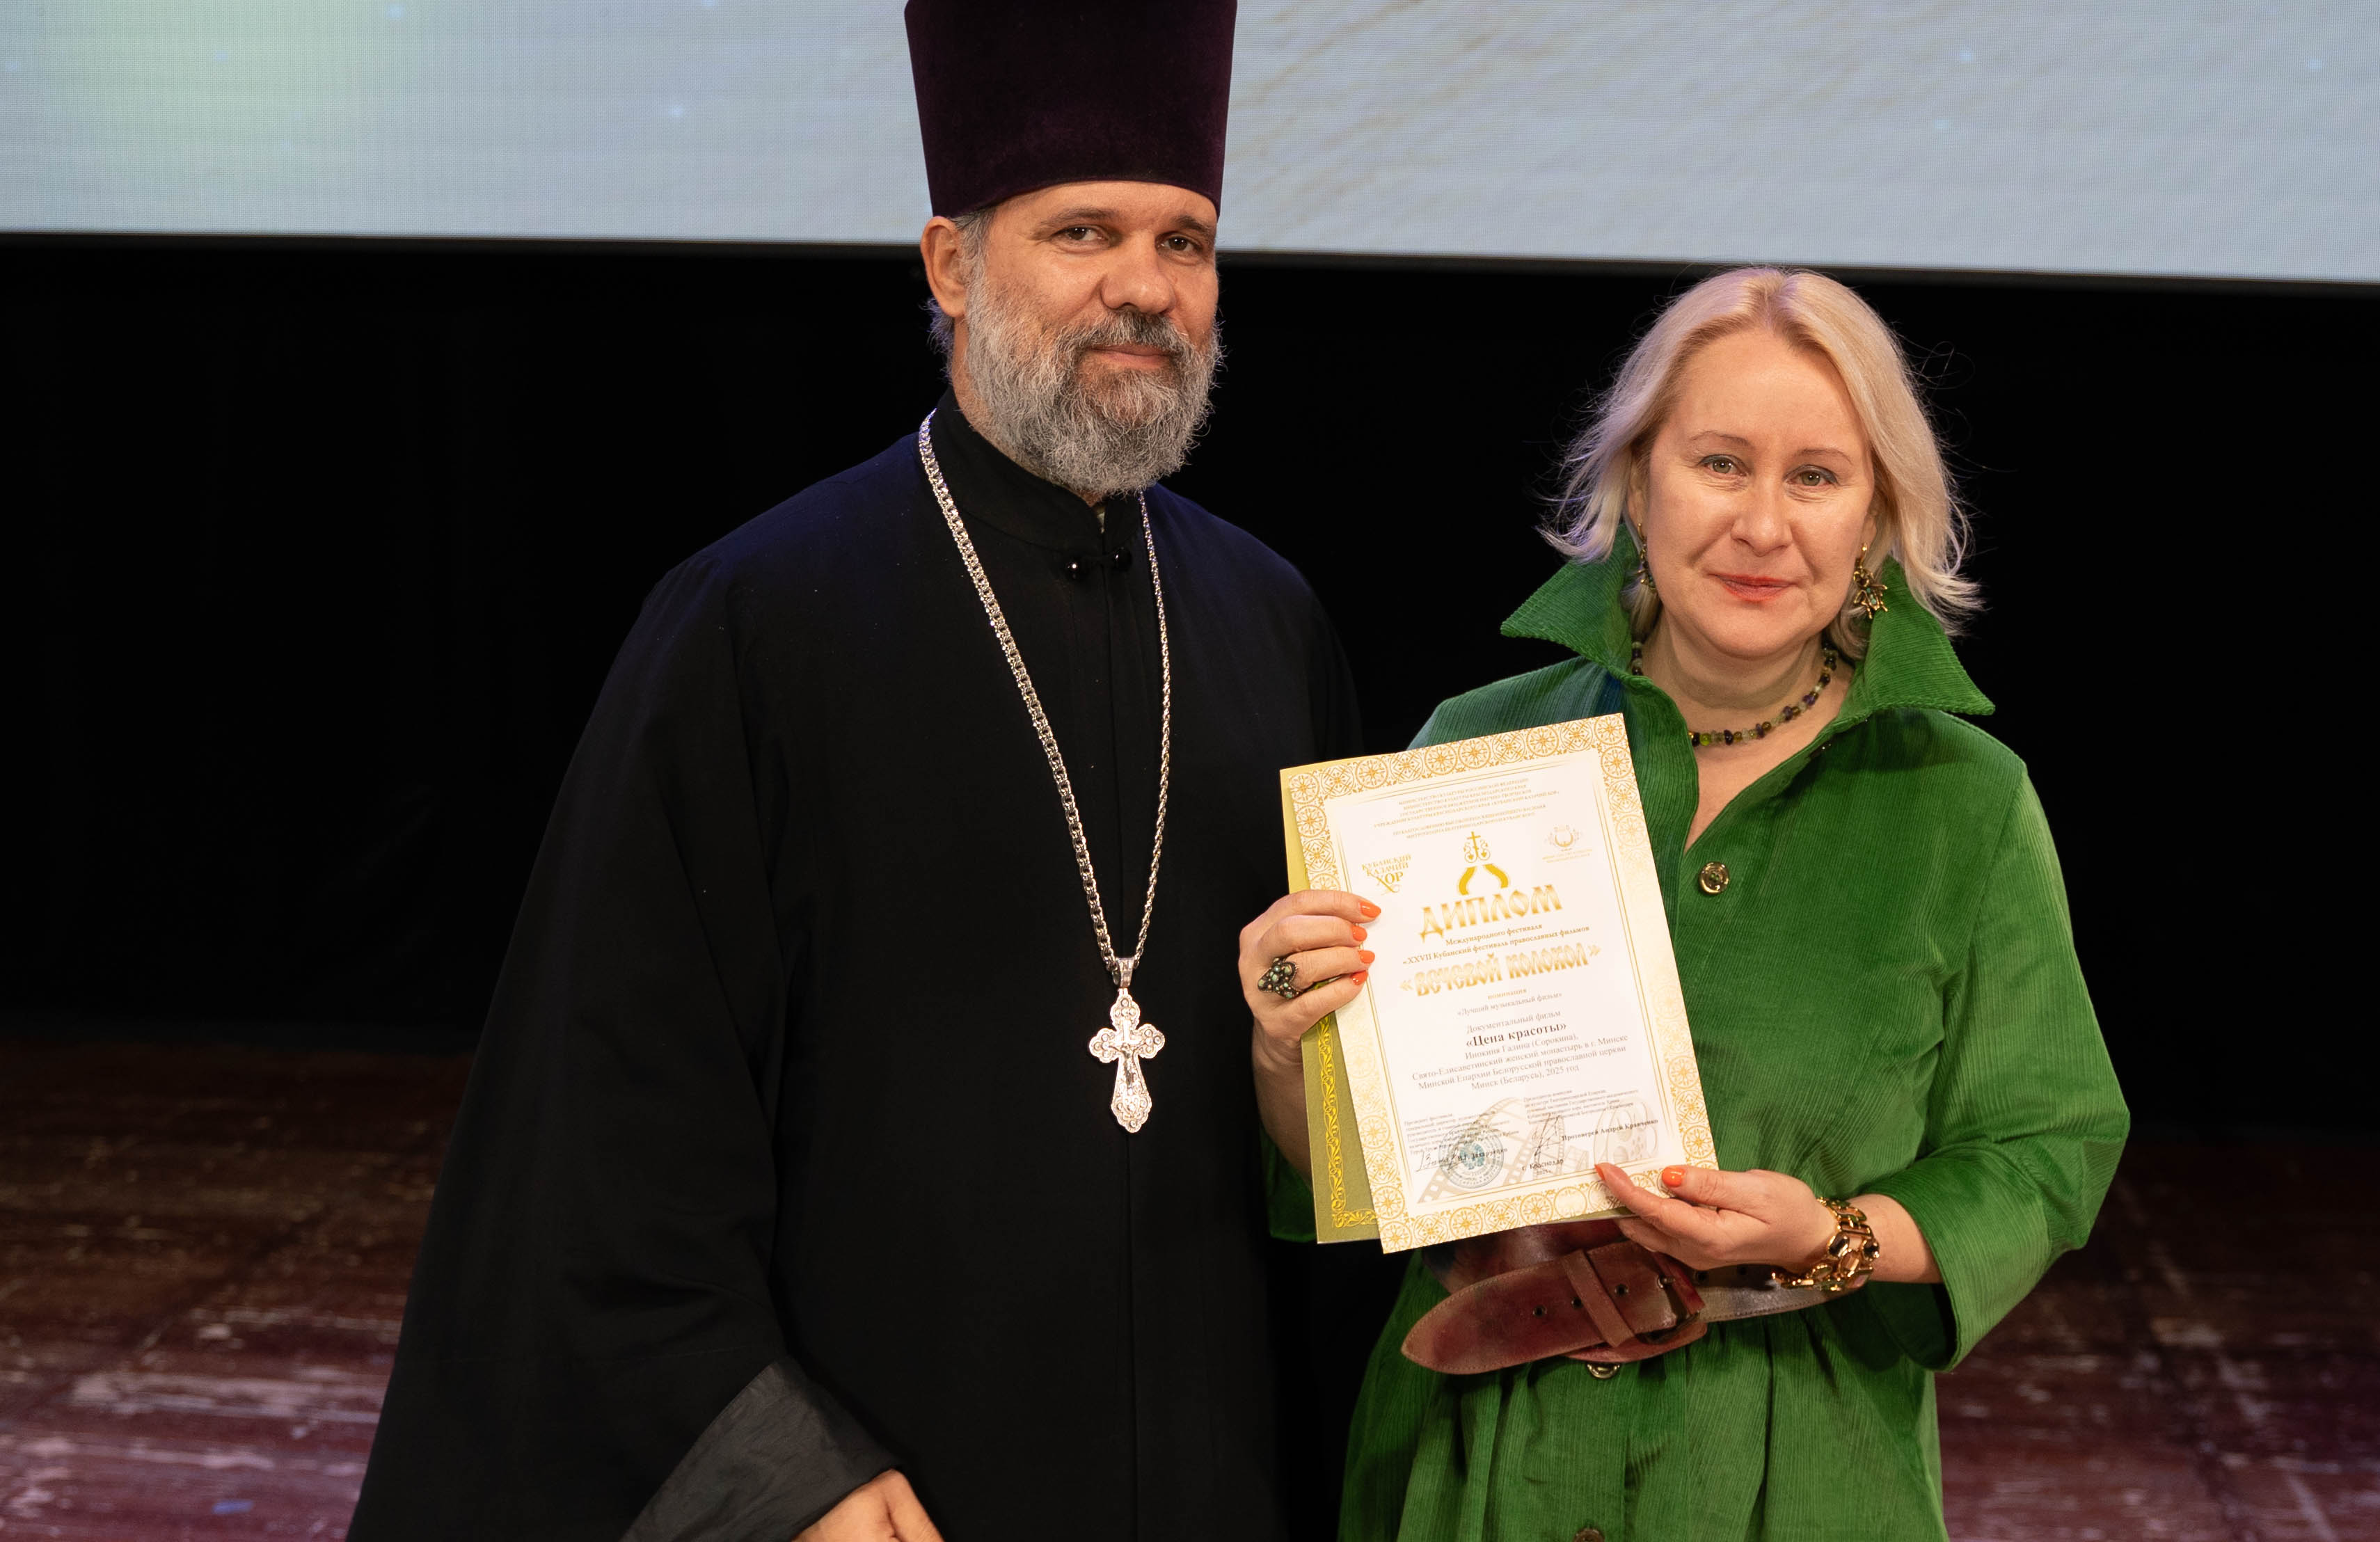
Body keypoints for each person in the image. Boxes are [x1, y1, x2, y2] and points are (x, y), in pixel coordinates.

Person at [350, 3, 1363, 1539]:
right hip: (886, 1482)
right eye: (1083, 233)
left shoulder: (1268, 620)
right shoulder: (756, 624)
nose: (1146, 287)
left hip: (1219, 1471)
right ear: (952, 266)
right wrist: (783, 1466)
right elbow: (612, 1123)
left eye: (1186, 241)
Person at [1238, 267, 2130, 1541]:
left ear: (1876, 517)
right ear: (1637, 481)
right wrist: (1287, 1046)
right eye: (1720, 463)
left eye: (1816, 476)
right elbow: (1356, 1169)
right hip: (1477, 1460)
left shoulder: (1964, 803)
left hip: (1793, 1467)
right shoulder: (1468, 754)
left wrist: (1828, 1235)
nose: (1763, 525)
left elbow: (2047, 1151)